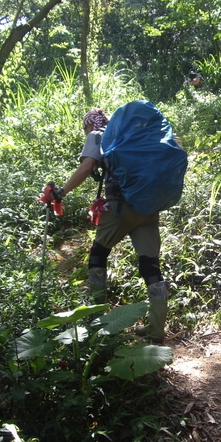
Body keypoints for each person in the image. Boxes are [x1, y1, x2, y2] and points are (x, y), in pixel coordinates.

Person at [42, 107, 169, 344]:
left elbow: (87, 167)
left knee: (98, 254)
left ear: (90, 124)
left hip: (121, 207)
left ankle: (98, 322)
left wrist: (61, 193)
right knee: (150, 264)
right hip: (149, 205)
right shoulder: (129, 136)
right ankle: (156, 329)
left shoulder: (97, 134)